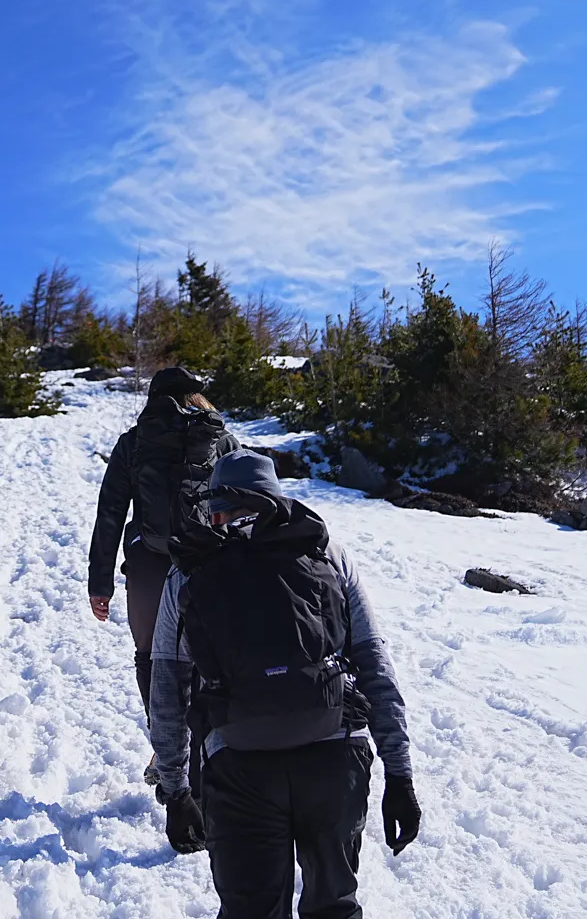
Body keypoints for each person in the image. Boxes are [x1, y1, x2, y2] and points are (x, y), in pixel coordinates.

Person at [149, 450, 420, 919]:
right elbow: (374, 663)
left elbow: (168, 691)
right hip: (334, 755)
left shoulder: (190, 567)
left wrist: (176, 791)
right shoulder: (325, 552)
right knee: (334, 907)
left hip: (240, 764)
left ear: (216, 507)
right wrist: (399, 774)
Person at [87, 367, 240, 729]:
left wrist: (100, 584)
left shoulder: (134, 442)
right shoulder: (220, 439)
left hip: (150, 561)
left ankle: (165, 742)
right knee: (216, 650)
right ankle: (213, 740)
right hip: (212, 558)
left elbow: (110, 512)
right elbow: (246, 501)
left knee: (151, 654)